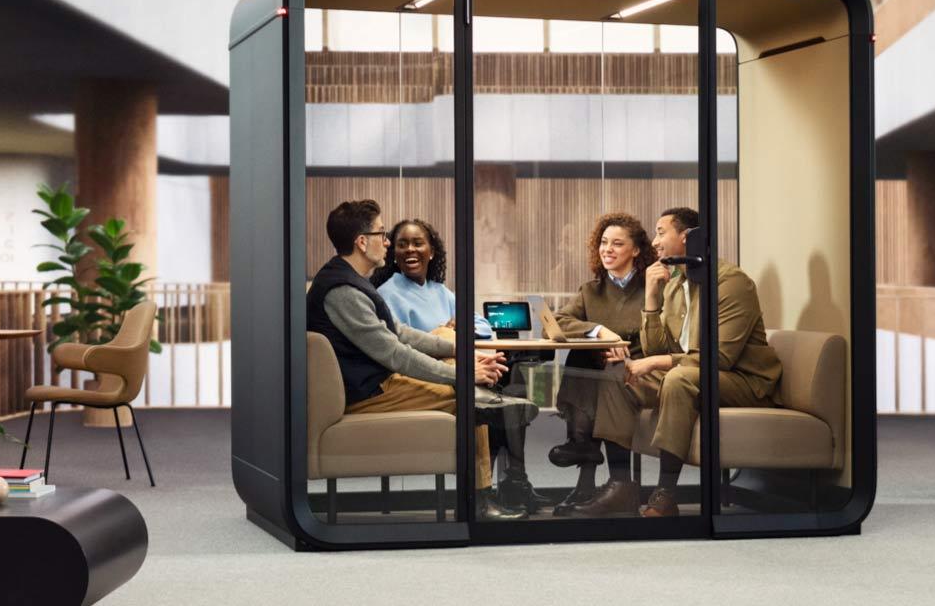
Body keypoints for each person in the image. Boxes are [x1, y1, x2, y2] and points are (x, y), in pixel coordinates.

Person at [305, 199, 537, 520]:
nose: (386, 242)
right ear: (362, 242)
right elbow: (395, 353)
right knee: (466, 398)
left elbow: (401, 333)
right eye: (383, 234)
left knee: (447, 341)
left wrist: (460, 353)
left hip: (376, 381)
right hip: (369, 392)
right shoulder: (344, 291)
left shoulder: (350, 281)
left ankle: (489, 398)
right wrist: (464, 375)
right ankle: (481, 500)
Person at [572, 207, 781, 518]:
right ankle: (620, 486)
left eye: (660, 232)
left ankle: (665, 494)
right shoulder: (674, 282)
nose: (655, 242)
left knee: (678, 379)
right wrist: (652, 298)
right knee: (618, 373)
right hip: (695, 373)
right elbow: (659, 345)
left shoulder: (730, 283)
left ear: (687, 237)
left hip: (745, 381)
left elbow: (720, 358)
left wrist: (653, 362)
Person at [545, 213, 656, 516]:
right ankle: (588, 470)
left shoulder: (653, 288)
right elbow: (555, 324)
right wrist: (598, 331)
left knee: (606, 371)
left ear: (635, 250)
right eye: (604, 243)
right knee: (586, 357)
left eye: (617, 243)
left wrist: (623, 350)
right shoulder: (590, 290)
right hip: (603, 372)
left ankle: (589, 461)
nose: (607, 249)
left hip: (638, 371)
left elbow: (661, 338)